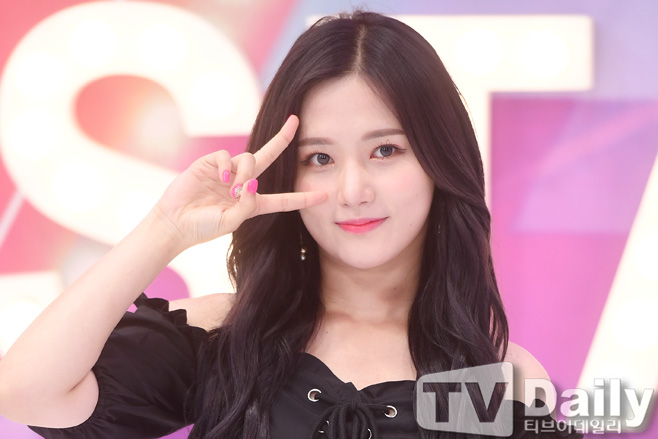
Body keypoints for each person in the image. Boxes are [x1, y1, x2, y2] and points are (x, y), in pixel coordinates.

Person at [0, 10, 582, 439]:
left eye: (385, 150)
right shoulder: (228, 336)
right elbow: (25, 391)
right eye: (320, 158)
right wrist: (165, 228)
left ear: (439, 160)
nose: (353, 191)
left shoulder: (500, 378)